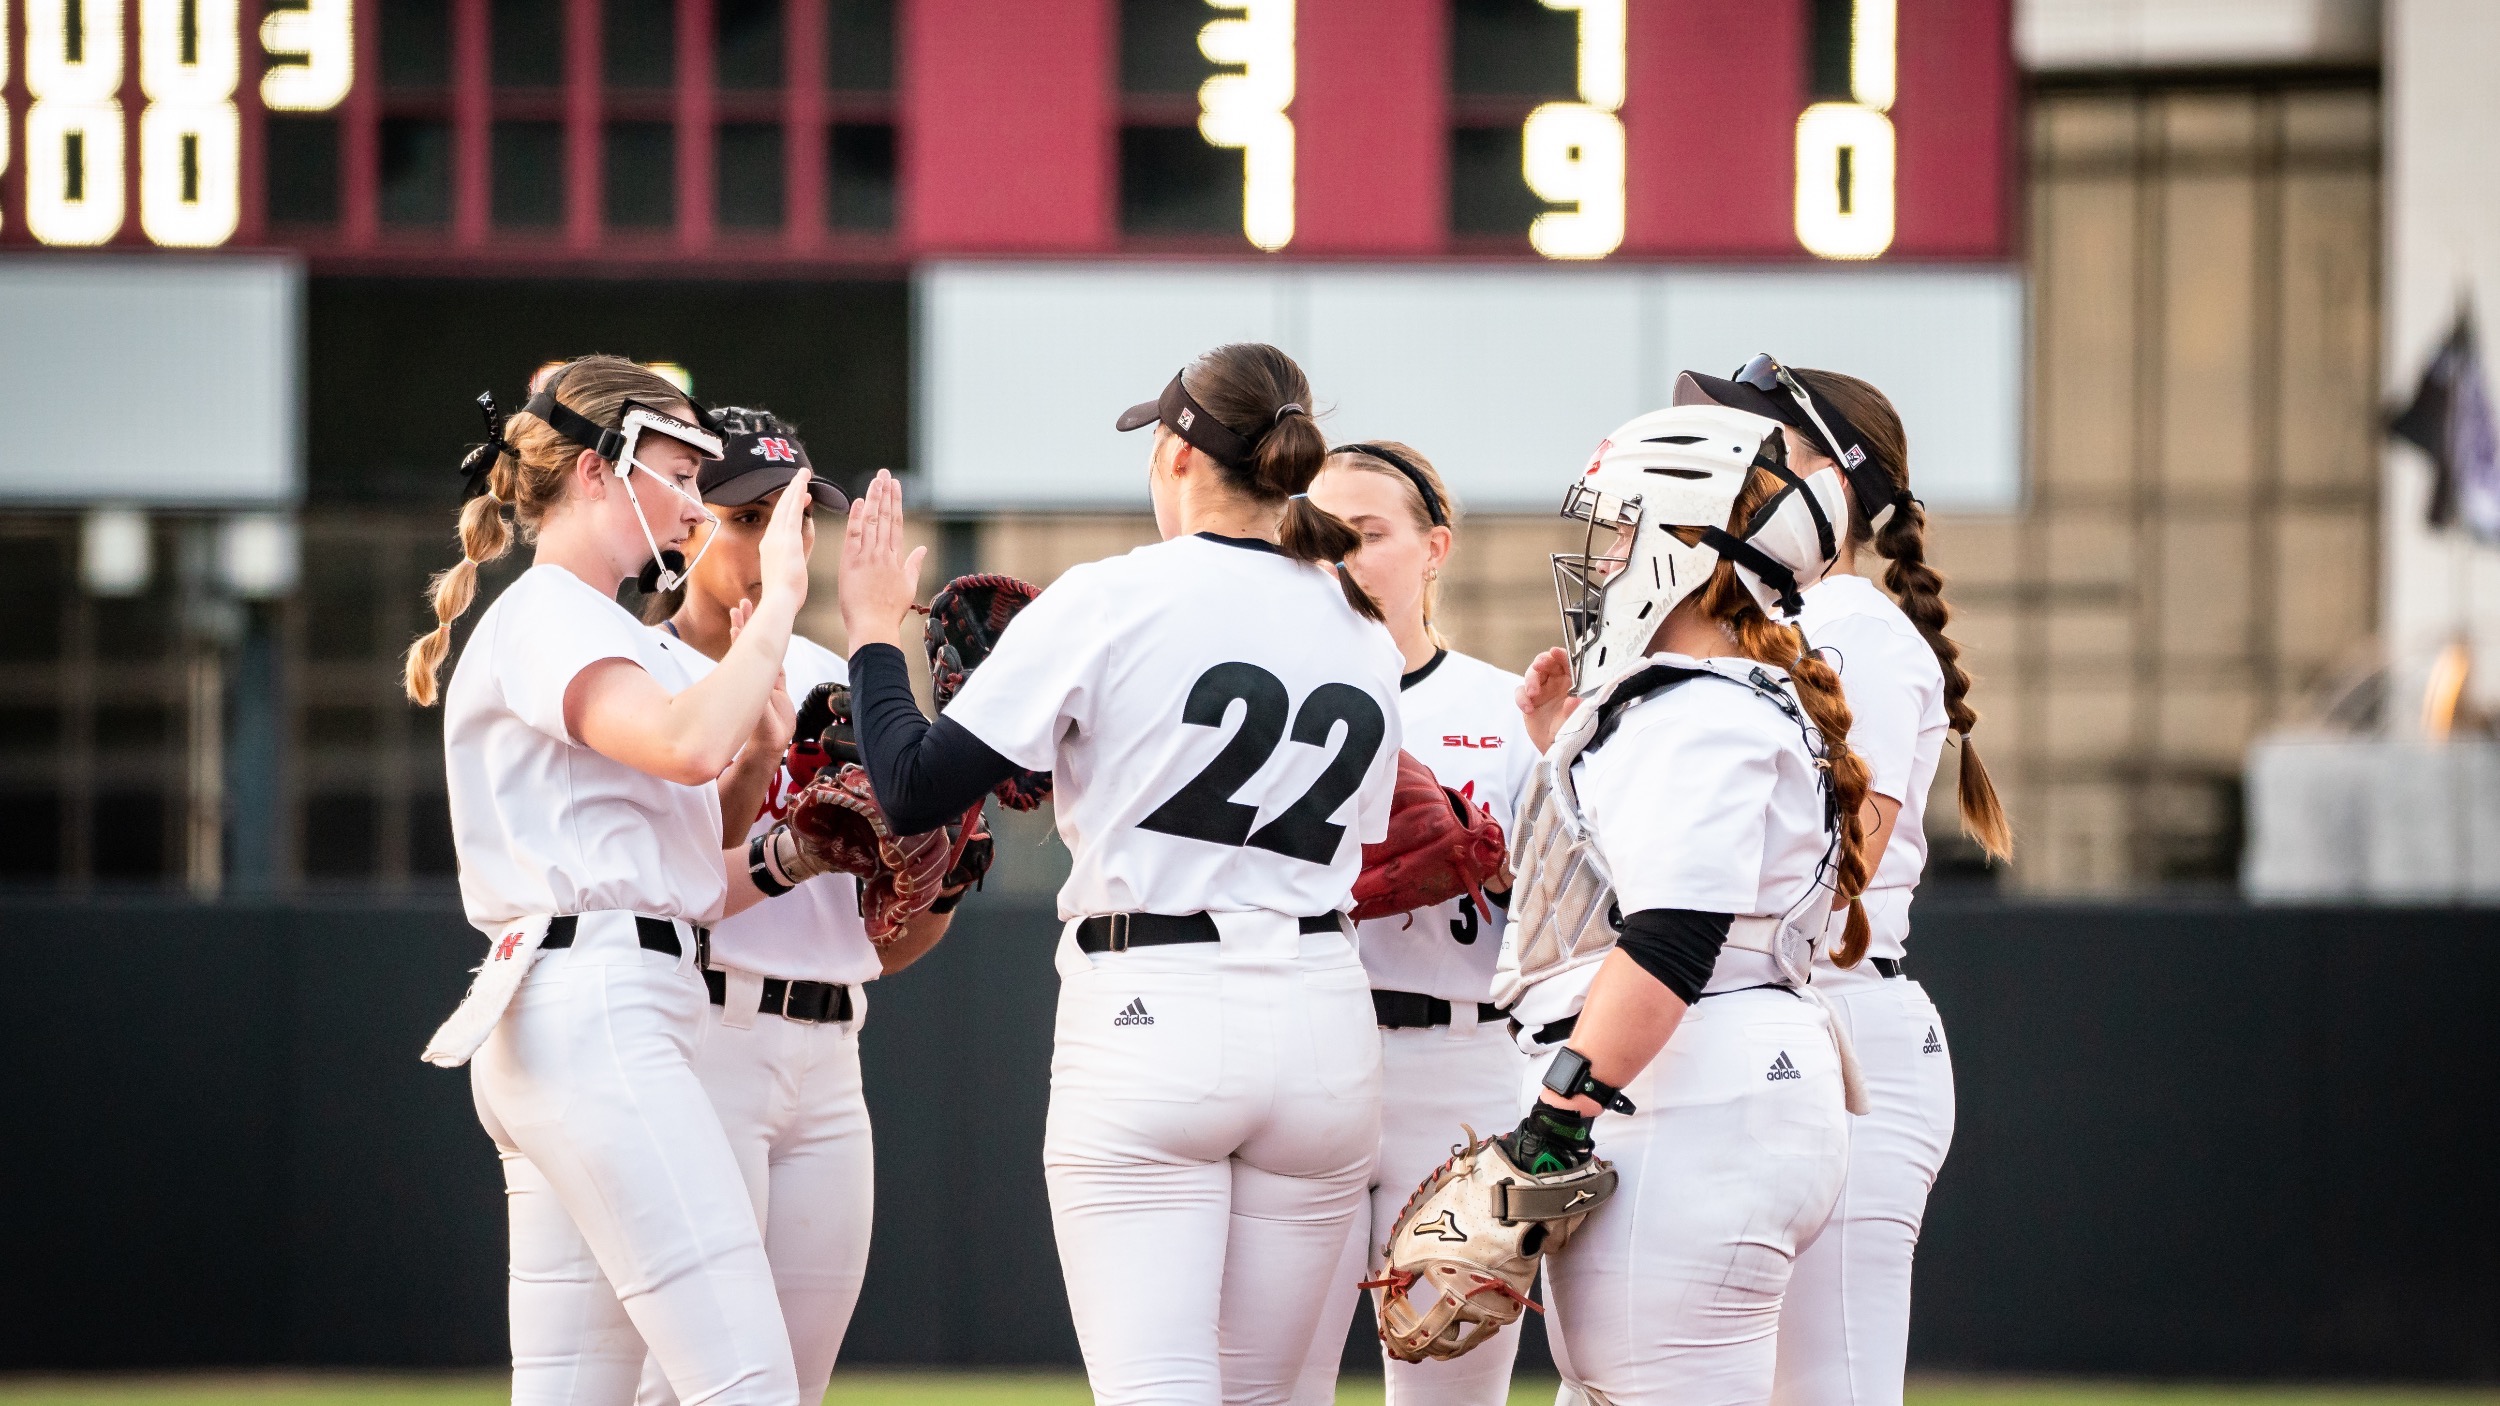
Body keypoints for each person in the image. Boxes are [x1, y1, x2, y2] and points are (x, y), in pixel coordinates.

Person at [834, 344, 1403, 1406]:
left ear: (1177, 450)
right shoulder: (1358, 623)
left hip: (1155, 1007)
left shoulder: (1111, 596)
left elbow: (911, 785)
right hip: (1323, 1012)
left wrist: (871, 633)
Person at [405, 355, 822, 1405]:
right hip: (592, 1006)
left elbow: (689, 860)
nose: (695, 503)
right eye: (679, 472)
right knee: (747, 1378)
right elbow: (684, 745)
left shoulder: (589, 620)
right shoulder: (554, 607)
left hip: (593, 1000)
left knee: (577, 1392)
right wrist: (781, 605)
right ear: (599, 471)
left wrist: (766, 776)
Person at [1498, 401, 1871, 1406]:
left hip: (1685, 1091)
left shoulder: (1693, 707)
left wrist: (1555, 1114)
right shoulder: (1726, 697)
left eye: (1623, 527)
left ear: (1685, 545)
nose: (1603, 553)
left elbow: (1671, 939)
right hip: (1725, 1084)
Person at [1673, 358, 2013, 1406]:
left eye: (1747, 441)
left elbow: (1833, 861)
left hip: (1840, 1016)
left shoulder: (1852, 626)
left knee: (1831, 1386)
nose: (1713, 462)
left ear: (1821, 475)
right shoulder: (1749, 622)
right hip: (1761, 1022)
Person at [631, 408, 973, 1406]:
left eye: (795, 514)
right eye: (749, 516)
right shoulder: (635, 674)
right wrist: (763, 767)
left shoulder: (845, 679)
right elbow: (674, 886)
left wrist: (941, 862)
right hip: (699, 1035)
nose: (779, 539)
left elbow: (893, 942)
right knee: (697, 1379)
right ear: (687, 523)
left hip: (829, 1056)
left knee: (795, 1383)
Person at [1290, 442, 1533, 1406]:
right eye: (1319, 535)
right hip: (1308, 1049)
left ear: (1435, 549)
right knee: (1274, 1378)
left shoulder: (1507, 708)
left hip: (1464, 1070)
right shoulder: (1278, 703)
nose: (1340, 556)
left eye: (1367, 533)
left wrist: (1501, 867)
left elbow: (1583, 926)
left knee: (1452, 1384)